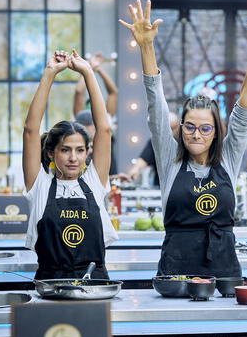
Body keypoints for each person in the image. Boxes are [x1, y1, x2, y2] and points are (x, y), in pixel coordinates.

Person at [119, 0, 247, 277]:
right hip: (176, 273)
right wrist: (146, 46)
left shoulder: (229, 158)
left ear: (216, 131)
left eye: (205, 128)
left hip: (224, 270)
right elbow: (155, 103)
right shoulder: (170, 160)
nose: (196, 134)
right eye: (190, 127)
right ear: (180, 128)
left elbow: (244, 107)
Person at [23, 49, 118, 280]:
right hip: (50, 285)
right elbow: (30, 131)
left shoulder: (95, 182)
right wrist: (49, 74)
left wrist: (88, 72)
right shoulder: (40, 185)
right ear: (51, 153)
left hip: (95, 284)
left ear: (88, 152)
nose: (73, 158)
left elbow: (104, 129)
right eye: (65, 150)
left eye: (79, 150)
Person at [73, 52, 118, 176]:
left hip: (108, 170)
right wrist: (89, 68)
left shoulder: (106, 116)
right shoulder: (81, 115)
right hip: (83, 170)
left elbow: (113, 92)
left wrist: (98, 69)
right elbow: (79, 91)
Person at [125, 112, 180, 187]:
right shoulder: (155, 142)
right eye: (166, 129)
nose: (169, 133)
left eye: (172, 128)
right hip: (161, 188)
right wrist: (135, 169)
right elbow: (143, 160)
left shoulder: (185, 142)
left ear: (178, 127)